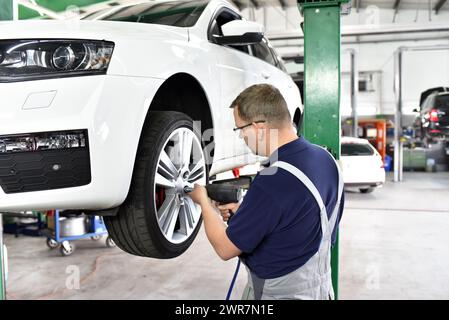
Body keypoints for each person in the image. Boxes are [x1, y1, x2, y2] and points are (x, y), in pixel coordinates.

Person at [188, 84, 344, 300]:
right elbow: (308, 220)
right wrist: (250, 214)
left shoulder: (273, 180)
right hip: (322, 292)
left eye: (241, 129)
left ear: (259, 127)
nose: (241, 136)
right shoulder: (327, 160)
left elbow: (225, 248)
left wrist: (203, 203)